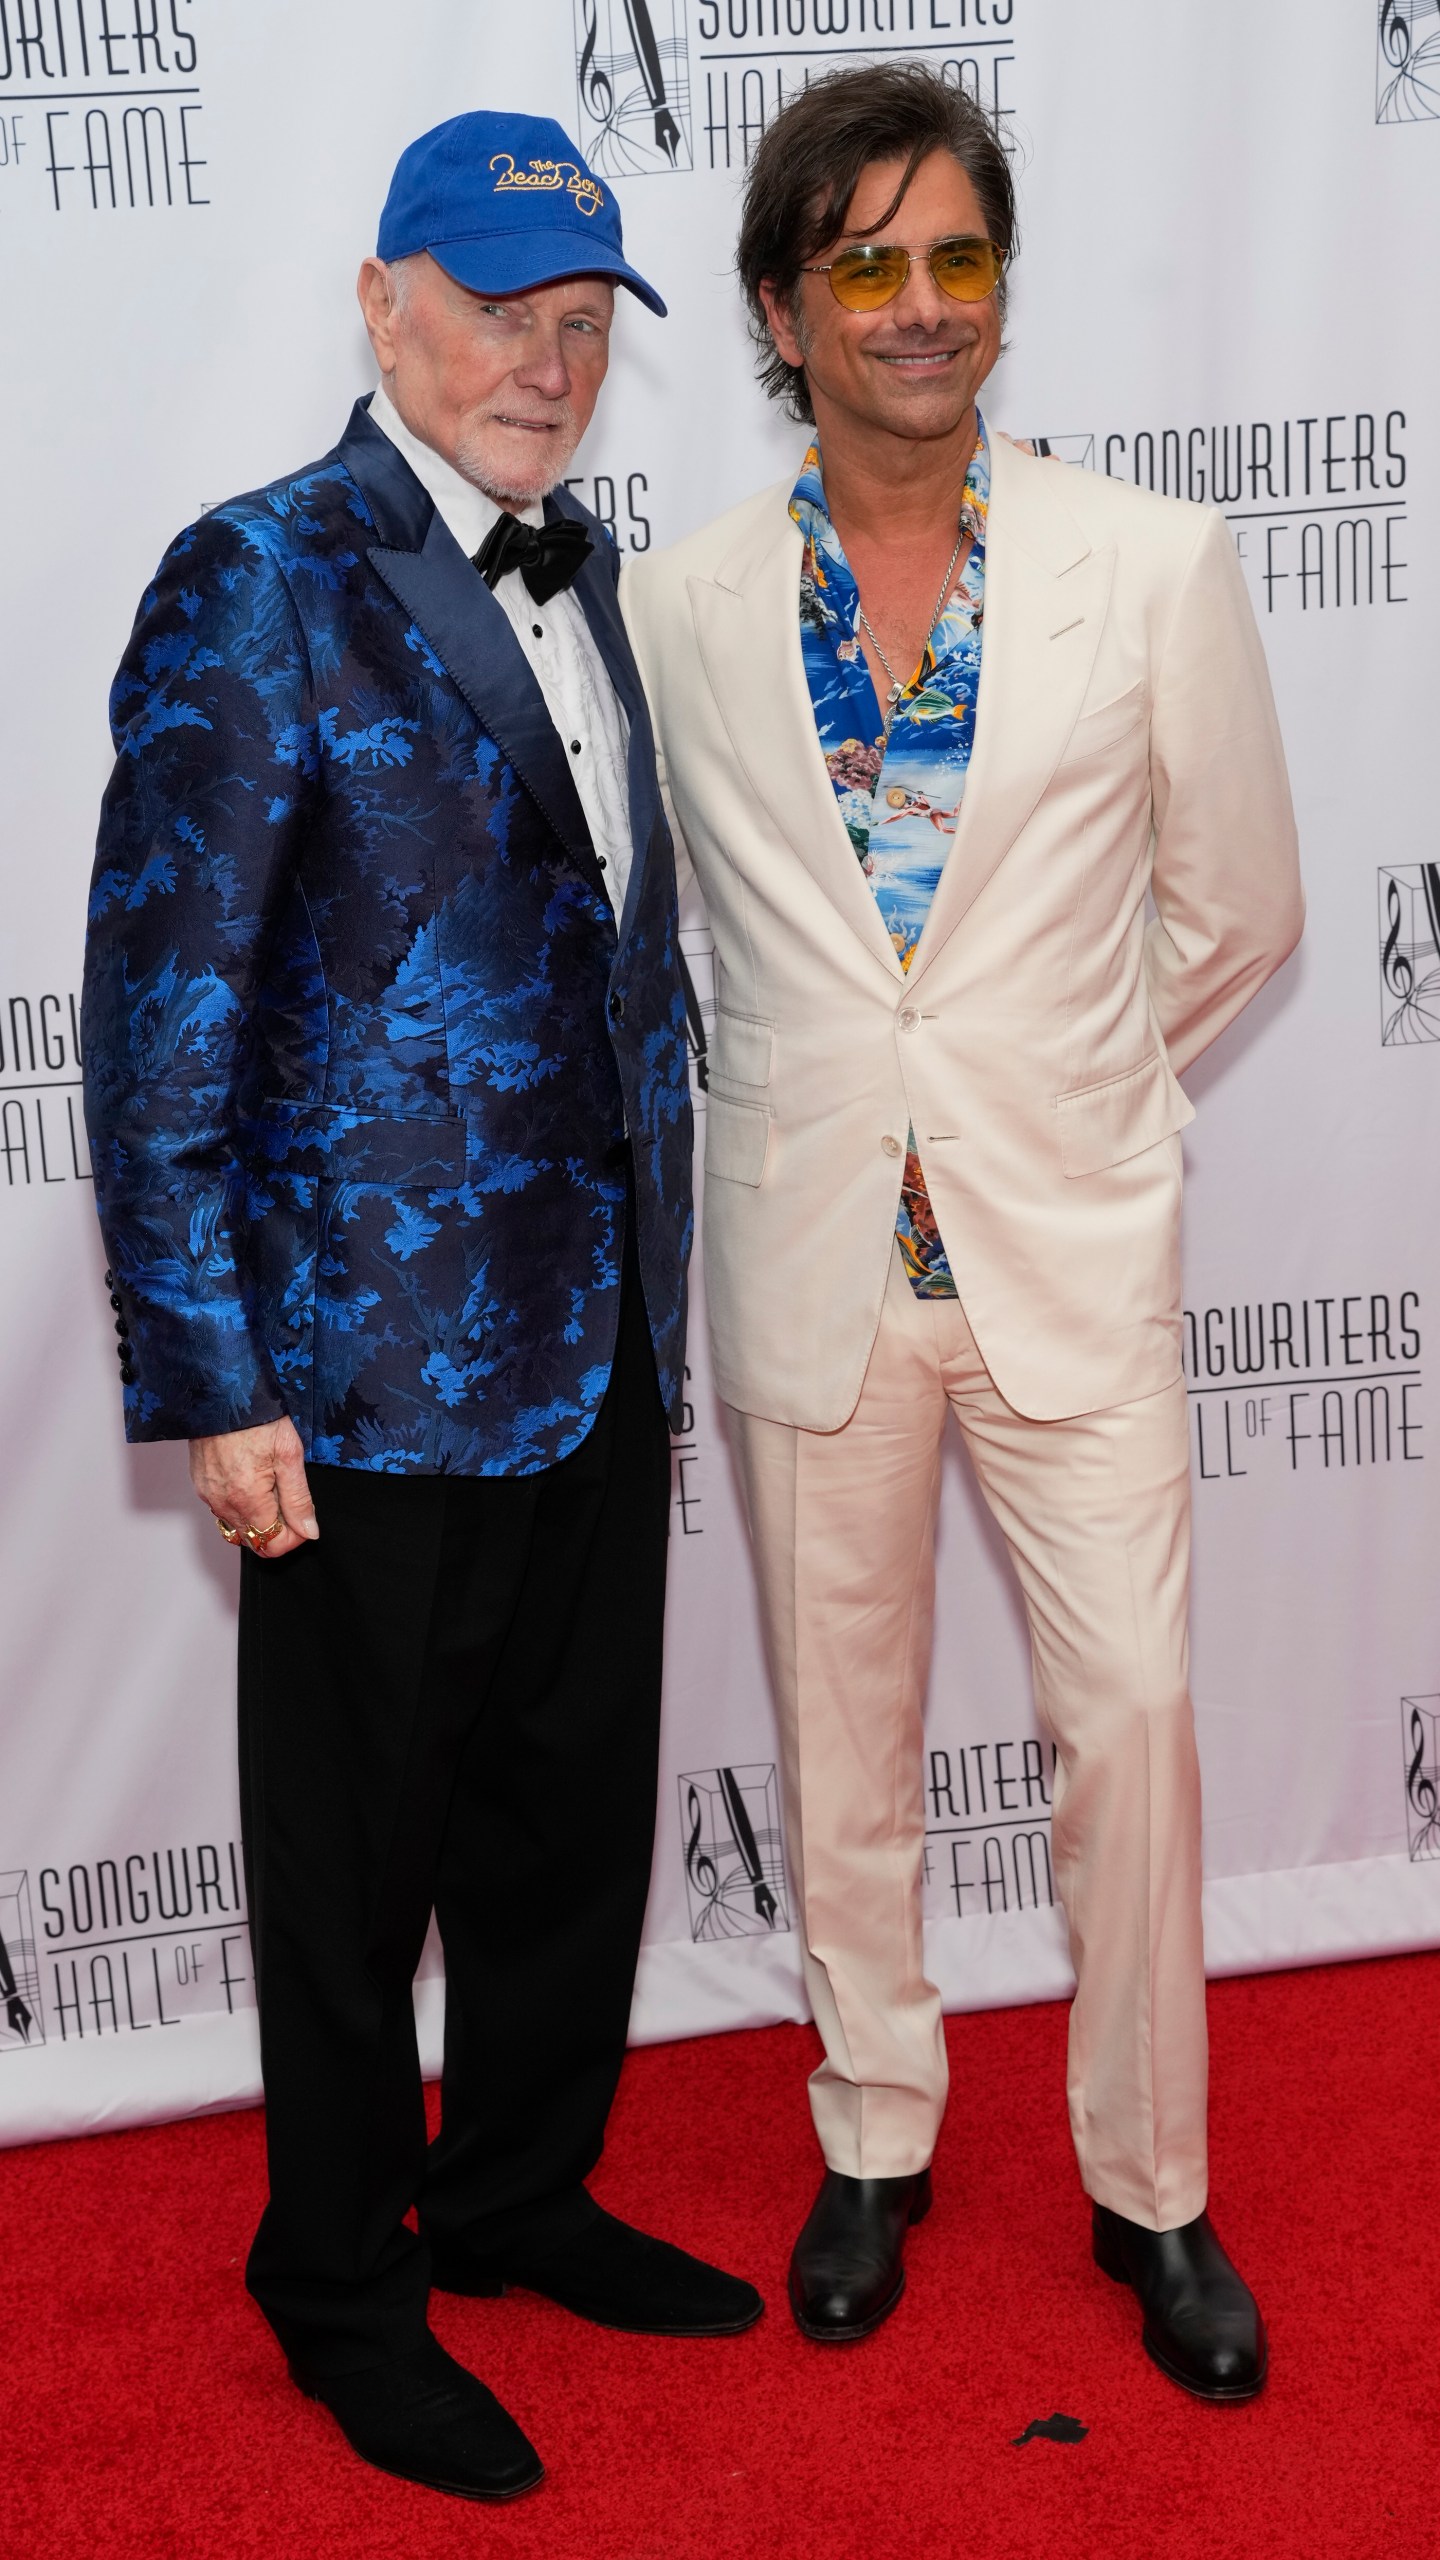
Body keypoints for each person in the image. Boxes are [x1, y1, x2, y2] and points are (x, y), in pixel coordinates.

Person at [82, 109, 760, 2506]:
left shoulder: (598, 577)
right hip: (362, 1369)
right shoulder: (257, 574)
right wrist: (215, 1375)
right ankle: (344, 2278)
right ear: (382, 307)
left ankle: (515, 2194)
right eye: (494, 312)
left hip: (600, 1326)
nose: (543, 362)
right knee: (356, 1859)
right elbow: (160, 1006)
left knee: (568, 1817)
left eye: (579, 323)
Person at [622, 63, 1302, 2400]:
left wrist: (1062, 1091)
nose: (920, 306)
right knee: (845, 1735)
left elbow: (1241, 909)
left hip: (1060, 1243)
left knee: (1134, 1722)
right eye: (867, 266)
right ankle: (874, 2128)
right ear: (781, 310)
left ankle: (1154, 2185)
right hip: (812, 1243)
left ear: (1000, 286)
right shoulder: (682, 607)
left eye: (959, 257)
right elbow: (676, 936)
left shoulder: (1153, 564)